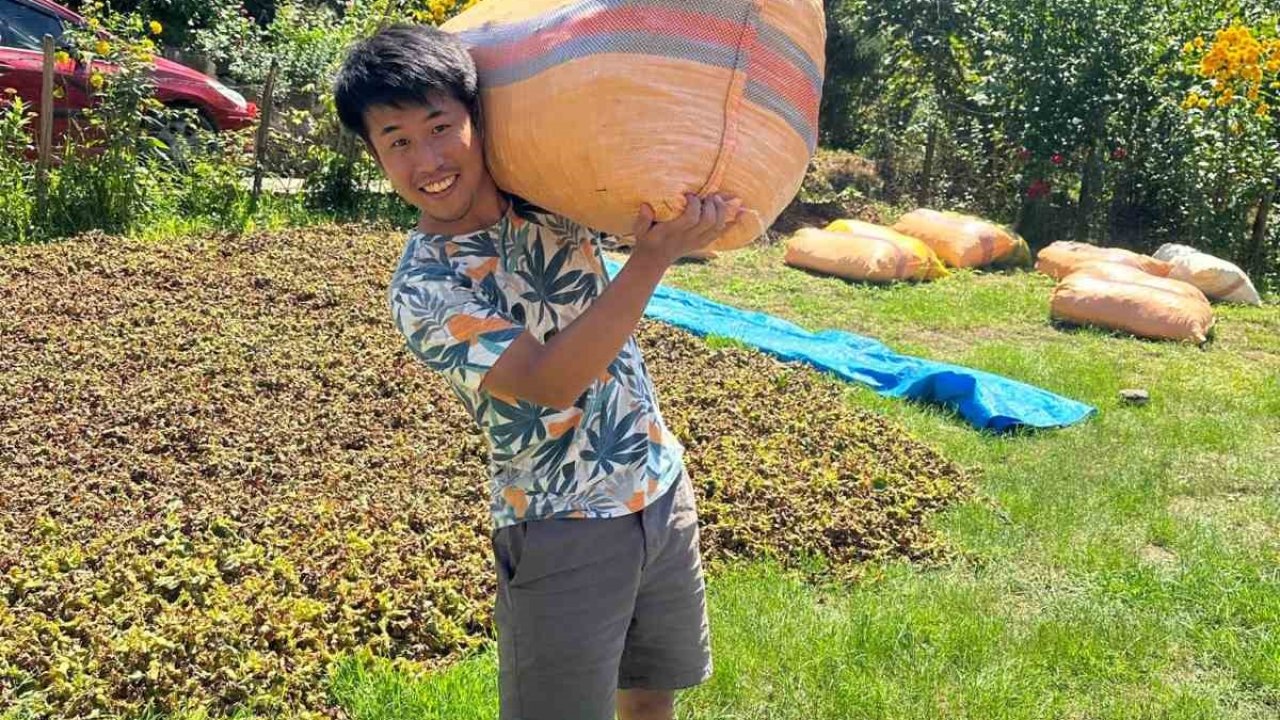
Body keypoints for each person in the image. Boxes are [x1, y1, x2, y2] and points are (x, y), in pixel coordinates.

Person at [333, 23, 745, 720]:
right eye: (397, 141)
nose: (427, 158)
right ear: (375, 157)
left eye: (441, 127)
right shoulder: (426, 289)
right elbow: (552, 381)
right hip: (562, 524)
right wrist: (653, 259)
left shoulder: (548, 196)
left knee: (651, 698)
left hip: (657, 483)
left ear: (476, 119)